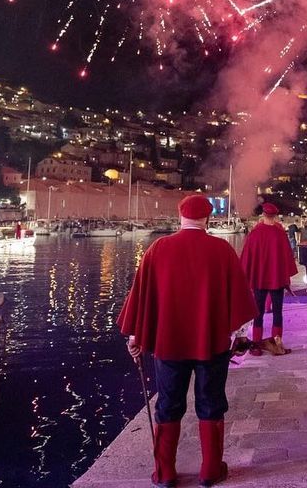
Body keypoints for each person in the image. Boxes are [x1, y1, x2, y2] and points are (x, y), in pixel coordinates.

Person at [118, 194, 258, 488]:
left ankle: (165, 472)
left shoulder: (159, 249)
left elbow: (142, 296)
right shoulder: (221, 249)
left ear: (179, 216)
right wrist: (239, 334)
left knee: (168, 404)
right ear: (208, 218)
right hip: (212, 342)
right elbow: (240, 298)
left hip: (170, 343)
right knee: (211, 401)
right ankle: (210, 470)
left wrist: (135, 335)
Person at [240, 202, 300, 356]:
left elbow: (247, 256)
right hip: (277, 279)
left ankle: (256, 346)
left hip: (259, 279)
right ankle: (277, 345)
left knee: (258, 312)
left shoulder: (255, 233)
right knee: (278, 312)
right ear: (274, 216)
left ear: (263, 215)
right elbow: (287, 257)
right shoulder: (279, 233)